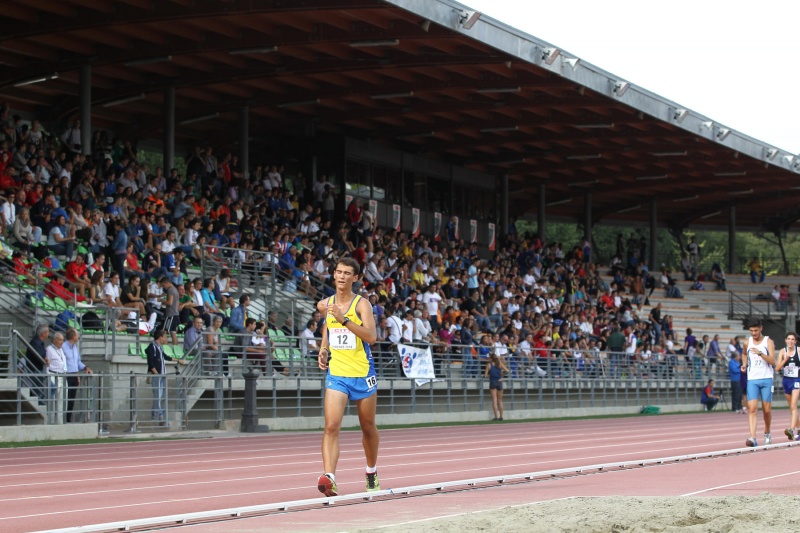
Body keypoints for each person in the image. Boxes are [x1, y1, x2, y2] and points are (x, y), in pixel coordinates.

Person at [316, 257, 379, 496]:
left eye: (347, 273)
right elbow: (328, 326)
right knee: (331, 426)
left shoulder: (362, 305)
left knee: (367, 427)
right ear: (333, 274)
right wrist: (324, 348)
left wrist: (345, 319)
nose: (342, 276)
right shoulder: (325, 304)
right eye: (339, 272)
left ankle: (371, 470)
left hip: (362, 373)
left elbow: (371, 337)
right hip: (338, 374)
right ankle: (330, 477)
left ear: (355, 278)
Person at [741, 318, 775, 447]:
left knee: (767, 410)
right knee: (752, 409)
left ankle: (767, 432)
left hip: (766, 379)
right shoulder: (747, 342)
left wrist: (760, 353)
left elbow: (773, 361)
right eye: (751, 331)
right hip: (752, 380)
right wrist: (744, 364)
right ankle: (753, 438)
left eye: (755, 330)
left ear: (761, 328)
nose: (753, 333)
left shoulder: (768, 342)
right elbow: (744, 354)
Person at [146, 329, 185, 425]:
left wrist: (177, 360)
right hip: (157, 376)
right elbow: (150, 362)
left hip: (161, 375)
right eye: (165, 337)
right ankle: (160, 417)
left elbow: (165, 356)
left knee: (158, 396)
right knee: (158, 396)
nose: (166, 339)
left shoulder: (159, 347)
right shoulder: (152, 347)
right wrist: (156, 374)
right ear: (160, 337)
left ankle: (154, 414)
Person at [62, 327, 92, 423]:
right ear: (73, 336)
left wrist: (85, 368)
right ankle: (63, 418)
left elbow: (78, 362)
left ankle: (68, 418)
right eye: (77, 334)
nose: (78, 336)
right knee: (65, 398)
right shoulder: (63, 346)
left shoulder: (75, 347)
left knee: (72, 398)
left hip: (74, 375)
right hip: (66, 375)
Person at [775, 331, 800, 441]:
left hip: (797, 380)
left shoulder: (799, 351)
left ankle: (791, 430)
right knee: (791, 407)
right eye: (789, 339)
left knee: (794, 405)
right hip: (786, 381)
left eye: (792, 339)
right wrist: (785, 359)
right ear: (785, 340)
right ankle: (799, 430)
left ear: (795, 341)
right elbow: (777, 368)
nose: (790, 341)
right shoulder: (782, 351)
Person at [484, 352, 509, 421]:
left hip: (493, 382)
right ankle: (501, 416)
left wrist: (488, 375)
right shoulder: (499, 364)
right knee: (500, 400)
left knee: (494, 400)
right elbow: (507, 370)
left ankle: (496, 416)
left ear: (491, 359)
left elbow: (485, 375)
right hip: (499, 381)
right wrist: (502, 375)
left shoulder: (489, 365)